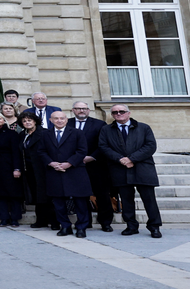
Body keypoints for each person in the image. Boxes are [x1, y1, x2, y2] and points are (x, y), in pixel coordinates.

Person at [98, 104, 163, 238]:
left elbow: (150, 146)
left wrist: (132, 159)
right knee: (126, 200)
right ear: (112, 115)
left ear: (129, 113)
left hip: (142, 168)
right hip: (119, 168)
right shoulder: (106, 130)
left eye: (122, 111)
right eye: (115, 112)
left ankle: (154, 226)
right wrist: (120, 159)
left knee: (149, 200)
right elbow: (103, 147)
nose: (118, 114)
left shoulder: (143, 127)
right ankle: (131, 226)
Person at [40, 110, 92, 238]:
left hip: (75, 171)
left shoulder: (77, 133)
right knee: (58, 202)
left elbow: (82, 151)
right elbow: (41, 151)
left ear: (66, 120)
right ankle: (65, 226)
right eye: (56, 118)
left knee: (80, 202)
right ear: (51, 120)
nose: (59, 120)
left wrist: (69, 163)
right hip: (55, 172)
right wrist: (52, 163)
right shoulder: (45, 134)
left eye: (62, 118)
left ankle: (81, 227)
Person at [71, 101, 114, 232]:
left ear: (89, 110)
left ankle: (105, 222)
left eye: (84, 108)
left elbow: (104, 144)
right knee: (80, 195)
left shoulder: (99, 124)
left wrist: (92, 157)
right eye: (78, 108)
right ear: (73, 110)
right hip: (74, 166)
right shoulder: (66, 123)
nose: (81, 111)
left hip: (96, 165)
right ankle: (85, 221)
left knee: (102, 194)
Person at [18, 111, 57, 230]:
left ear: (35, 121)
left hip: (44, 168)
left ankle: (54, 221)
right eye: (24, 121)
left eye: (29, 120)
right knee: (37, 195)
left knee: (48, 196)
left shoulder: (45, 133)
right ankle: (41, 220)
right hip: (30, 169)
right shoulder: (22, 135)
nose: (27, 123)